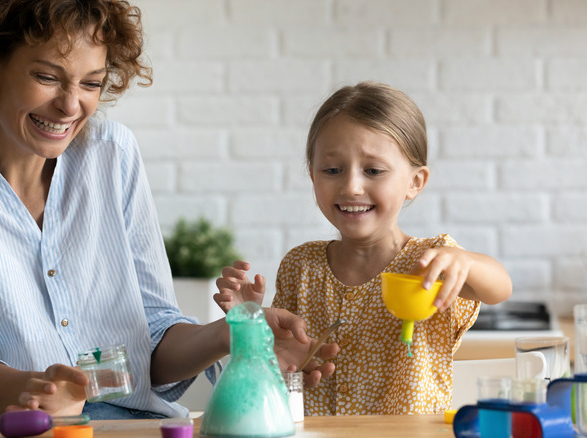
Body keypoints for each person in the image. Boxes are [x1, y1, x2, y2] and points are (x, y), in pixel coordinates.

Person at [0, 0, 338, 420]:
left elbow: (152, 334)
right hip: (21, 431)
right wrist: (36, 389)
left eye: (91, 83)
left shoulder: (112, 152)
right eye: (47, 77)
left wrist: (233, 337)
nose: (70, 105)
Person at [214, 81, 513, 415]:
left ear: (415, 182)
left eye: (373, 170)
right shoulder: (301, 265)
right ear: (313, 177)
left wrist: (465, 261)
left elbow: (499, 288)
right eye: (331, 170)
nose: (351, 186)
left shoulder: (433, 262)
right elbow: (279, 373)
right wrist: (248, 327)